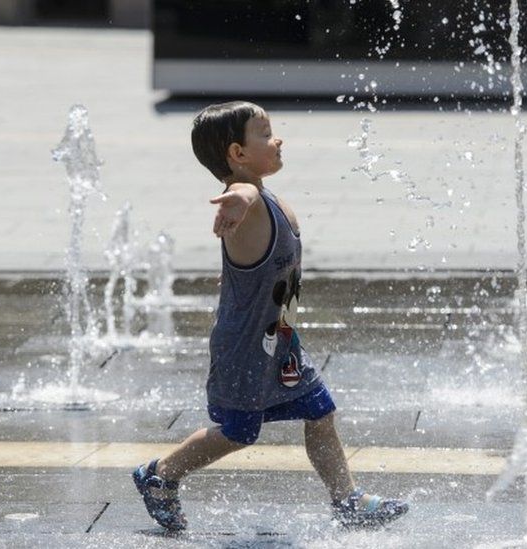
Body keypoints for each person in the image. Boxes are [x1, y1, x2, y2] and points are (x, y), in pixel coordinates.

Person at [132, 101, 409, 531]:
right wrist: (238, 200)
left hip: (278, 341)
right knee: (239, 430)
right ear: (237, 155)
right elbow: (241, 193)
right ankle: (160, 475)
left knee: (319, 411)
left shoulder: (268, 200)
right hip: (245, 346)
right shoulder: (250, 200)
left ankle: (347, 500)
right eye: (265, 133)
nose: (276, 139)